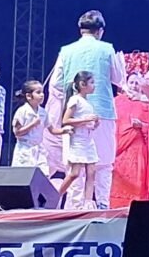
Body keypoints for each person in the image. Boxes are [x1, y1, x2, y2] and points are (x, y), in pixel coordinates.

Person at [48, 10, 126, 209]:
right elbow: (119, 79)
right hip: (101, 113)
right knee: (103, 164)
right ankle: (101, 206)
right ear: (100, 31)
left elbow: (56, 83)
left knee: (75, 166)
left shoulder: (66, 50)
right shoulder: (107, 49)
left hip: (73, 116)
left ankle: (74, 209)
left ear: (81, 29)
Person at [111, 73, 149, 207]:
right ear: (126, 84)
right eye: (131, 82)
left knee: (136, 186)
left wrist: (142, 126)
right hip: (118, 150)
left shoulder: (146, 104)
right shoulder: (116, 102)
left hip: (137, 152)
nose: (134, 86)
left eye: (137, 83)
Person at [56, 72, 100, 209]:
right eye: (91, 82)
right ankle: (55, 196)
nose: (94, 85)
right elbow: (66, 120)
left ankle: (88, 202)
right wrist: (85, 120)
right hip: (78, 140)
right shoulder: (75, 100)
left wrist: (95, 123)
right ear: (82, 84)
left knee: (91, 172)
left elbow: (87, 123)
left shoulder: (88, 103)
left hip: (88, 139)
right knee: (75, 173)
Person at [12, 80, 70, 172]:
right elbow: (17, 132)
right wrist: (33, 124)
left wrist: (64, 131)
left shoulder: (43, 112)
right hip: (25, 148)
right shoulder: (22, 111)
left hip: (39, 148)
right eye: (38, 92)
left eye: (42, 92)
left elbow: (52, 130)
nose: (42, 95)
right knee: (26, 174)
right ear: (29, 96)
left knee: (43, 173)